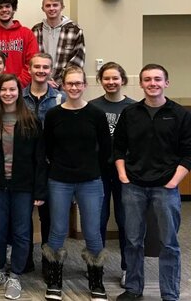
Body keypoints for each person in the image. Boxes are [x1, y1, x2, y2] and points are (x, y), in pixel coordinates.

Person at [113, 64, 191, 301]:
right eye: (147, 79)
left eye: (157, 79)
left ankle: (170, 293)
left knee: (169, 243)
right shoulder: (130, 112)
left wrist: (173, 181)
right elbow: (118, 147)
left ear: (166, 83)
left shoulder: (180, 114)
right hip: (134, 186)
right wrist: (123, 176)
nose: (152, 83)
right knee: (133, 240)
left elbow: (188, 153)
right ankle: (134, 288)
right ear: (141, 84)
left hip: (165, 188)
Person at [42, 66, 112, 301]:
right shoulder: (53, 115)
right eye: (69, 83)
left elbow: (105, 149)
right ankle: (54, 281)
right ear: (63, 85)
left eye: (78, 83)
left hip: (90, 180)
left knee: (92, 231)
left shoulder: (96, 114)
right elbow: (48, 147)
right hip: (59, 179)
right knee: (58, 230)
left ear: (85, 85)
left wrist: (93, 169)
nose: (73, 87)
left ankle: (96, 283)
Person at [0, 74, 46, 300]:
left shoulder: (31, 121)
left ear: (19, 92)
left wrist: (39, 191)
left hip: (23, 188)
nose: (8, 94)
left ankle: (15, 274)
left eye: (12, 90)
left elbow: (39, 159)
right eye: (3, 90)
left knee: (22, 233)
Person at [89, 62, 135, 287]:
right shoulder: (93, 107)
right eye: (106, 78)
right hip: (98, 173)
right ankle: (95, 267)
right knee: (97, 220)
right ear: (100, 81)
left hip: (126, 174)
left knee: (126, 221)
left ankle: (128, 268)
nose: (110, 82)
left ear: (123, 80)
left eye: (115, 78)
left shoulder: (134, 108)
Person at [21, 52, 65, 274]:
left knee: (50, 217)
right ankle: (25, 259)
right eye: (36, 67)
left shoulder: (61, 99)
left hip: (52, 166)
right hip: (25, 166)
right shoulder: (18, 97)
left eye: (45, 67)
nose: (41, 71)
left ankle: (50, 262)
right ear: (29, 69)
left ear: (51, 70)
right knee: (23, 216)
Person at [31, 0, 86, 88]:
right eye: (48, 5)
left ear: (62, 7)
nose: (52, 8)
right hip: (40, 83)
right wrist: (45, 80)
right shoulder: (36, 30)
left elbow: (78, 60)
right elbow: (31, 58)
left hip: (65, 85)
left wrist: (60, 80)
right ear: (43, 8)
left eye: (55, 5)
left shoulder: (74, 30)